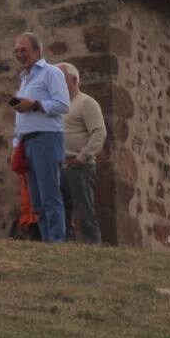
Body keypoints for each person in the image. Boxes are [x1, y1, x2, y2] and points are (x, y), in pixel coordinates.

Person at [10, 32, 71, 243]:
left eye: (23, 50)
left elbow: (63, 105)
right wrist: (17, 143)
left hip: (46, 139)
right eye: (16, 50)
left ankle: (57, 243)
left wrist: (34, 105)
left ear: (37, 51)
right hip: (28, 142)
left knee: (50, 196)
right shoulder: (25, 78)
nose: (19, 54)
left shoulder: (51, 73)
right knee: (37, 201)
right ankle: (48, 242)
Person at [56, 61, 108, 244]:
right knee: (62, 213)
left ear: (74, 79)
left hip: (79, 167)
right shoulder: (59, 106)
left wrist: (82, 157)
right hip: (60, 166)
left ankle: (93, 251)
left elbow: (99, 132)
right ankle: (63, 251)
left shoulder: (86, 102)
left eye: (60, 79)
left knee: (85, 213)